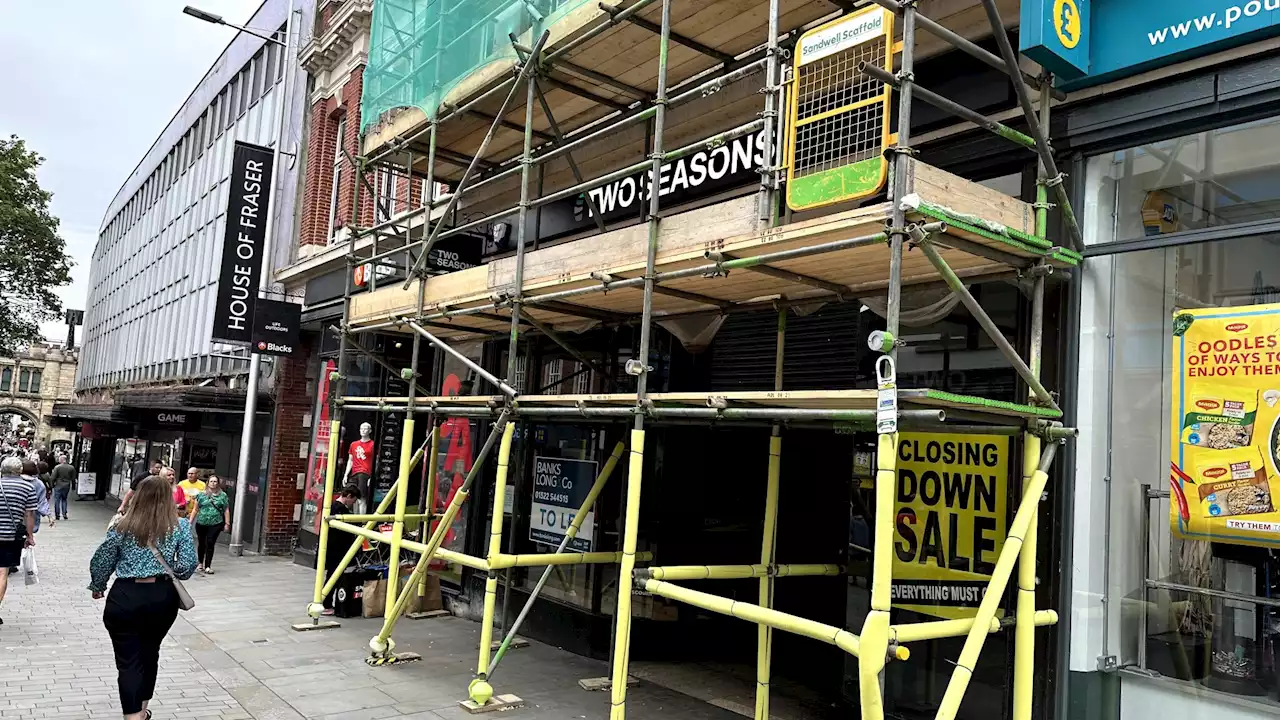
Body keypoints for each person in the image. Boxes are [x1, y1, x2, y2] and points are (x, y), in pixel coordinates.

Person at [89, 475, 197, 720]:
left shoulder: (121, 524)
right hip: (161, 596)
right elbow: (189, 565)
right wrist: (171, 570)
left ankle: (133, 715)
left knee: (128, 660)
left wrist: (98, 584)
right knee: (150, 651)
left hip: (125, 595)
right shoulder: (179, 526)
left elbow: (102, 558)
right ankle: (142, 709)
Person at [0, 457, 37, 625]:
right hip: (10, 536)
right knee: (2, 573)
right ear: (19, 470)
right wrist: (30, 536)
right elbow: (29, 514)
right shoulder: (27, 487)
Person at [322, 484, 362, 615]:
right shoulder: (339, 510)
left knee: (333, 576)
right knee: (333, 576)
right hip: (337, 549)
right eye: (353, 501)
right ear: (349, 496)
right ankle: (326, 603)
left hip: (334, 548)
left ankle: (327, 602)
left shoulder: (335, 508)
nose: (352, 504)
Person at [188, 476, 228, 575]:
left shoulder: (223, 495)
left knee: (210, 542)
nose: (213, 483)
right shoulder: (201, 495)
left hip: (216, 523)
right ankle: (200, 563)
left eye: (215, 481)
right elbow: (195, 509)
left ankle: (208, 566)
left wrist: (227, 523)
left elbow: (226, 510)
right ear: (207, 483)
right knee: (201, 543)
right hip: (201, 522)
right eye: (211, 481)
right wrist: (190, 522)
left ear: (218, 483)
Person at [22, 460, 52, 532]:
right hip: (32, 515)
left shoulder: (16, 481)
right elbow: (41, 502)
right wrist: (49, 515)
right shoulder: (38, 484)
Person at [51, 455, 76, 521]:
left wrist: (52, 485)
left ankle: (57, 515)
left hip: (58, 485)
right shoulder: (71, 468)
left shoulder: (57, 467)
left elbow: (53, 477)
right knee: (64, 499)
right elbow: (73, 478)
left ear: (61, 460)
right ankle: (64, 513)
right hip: (67, 485)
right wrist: (73, 487)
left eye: (59, 459)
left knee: (57, 500)